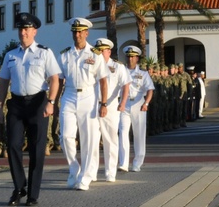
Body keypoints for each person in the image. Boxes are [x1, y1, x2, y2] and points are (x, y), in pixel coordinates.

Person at [0, 12, 60, 207]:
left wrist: (51, 102)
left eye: (27, 29)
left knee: (37, 148)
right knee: (13, 145)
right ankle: (19, 187)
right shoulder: (10, 55)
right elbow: (3, 82)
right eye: (21, 29)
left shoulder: (44, 52)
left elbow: (55, 79)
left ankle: (33, 193)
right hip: (16, 103)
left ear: (35, 31)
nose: (23, 32)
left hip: (38, 102)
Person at [58, 17, 108, 190]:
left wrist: (104, 103)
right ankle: (74, 169)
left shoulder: (95, 54)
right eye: (75, 31)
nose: (77, 34)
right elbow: (59, 80)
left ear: (87, 33)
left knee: (89, 140)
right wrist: (53, 102)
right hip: (69, 95)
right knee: (65, 136)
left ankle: (86, 177)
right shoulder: (64, 54)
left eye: (80, 31)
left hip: (88, 95)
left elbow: (103, 81)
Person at [94, 38, 129, 182]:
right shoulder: (91, 63)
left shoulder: (117, 66)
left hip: (110, 106)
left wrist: (123, 103)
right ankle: (92, 172)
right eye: (99, 50)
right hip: (93, 105)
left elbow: (125, 85)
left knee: (110, 139)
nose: (101, 53)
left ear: (109, 51)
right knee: (92, 140)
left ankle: (110, 172)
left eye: (103, 50)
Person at [118, 45, 154, 171]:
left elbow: (150, 89)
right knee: (122, 132)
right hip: (124, 103)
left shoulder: (143, 73)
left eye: (132, 56)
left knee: (139, 135)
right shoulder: (121, 71)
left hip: (139, 104)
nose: (130, 59)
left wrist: (146, 103)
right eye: (128, 56)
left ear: (137, 58)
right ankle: (123, 163)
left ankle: (137, 163)